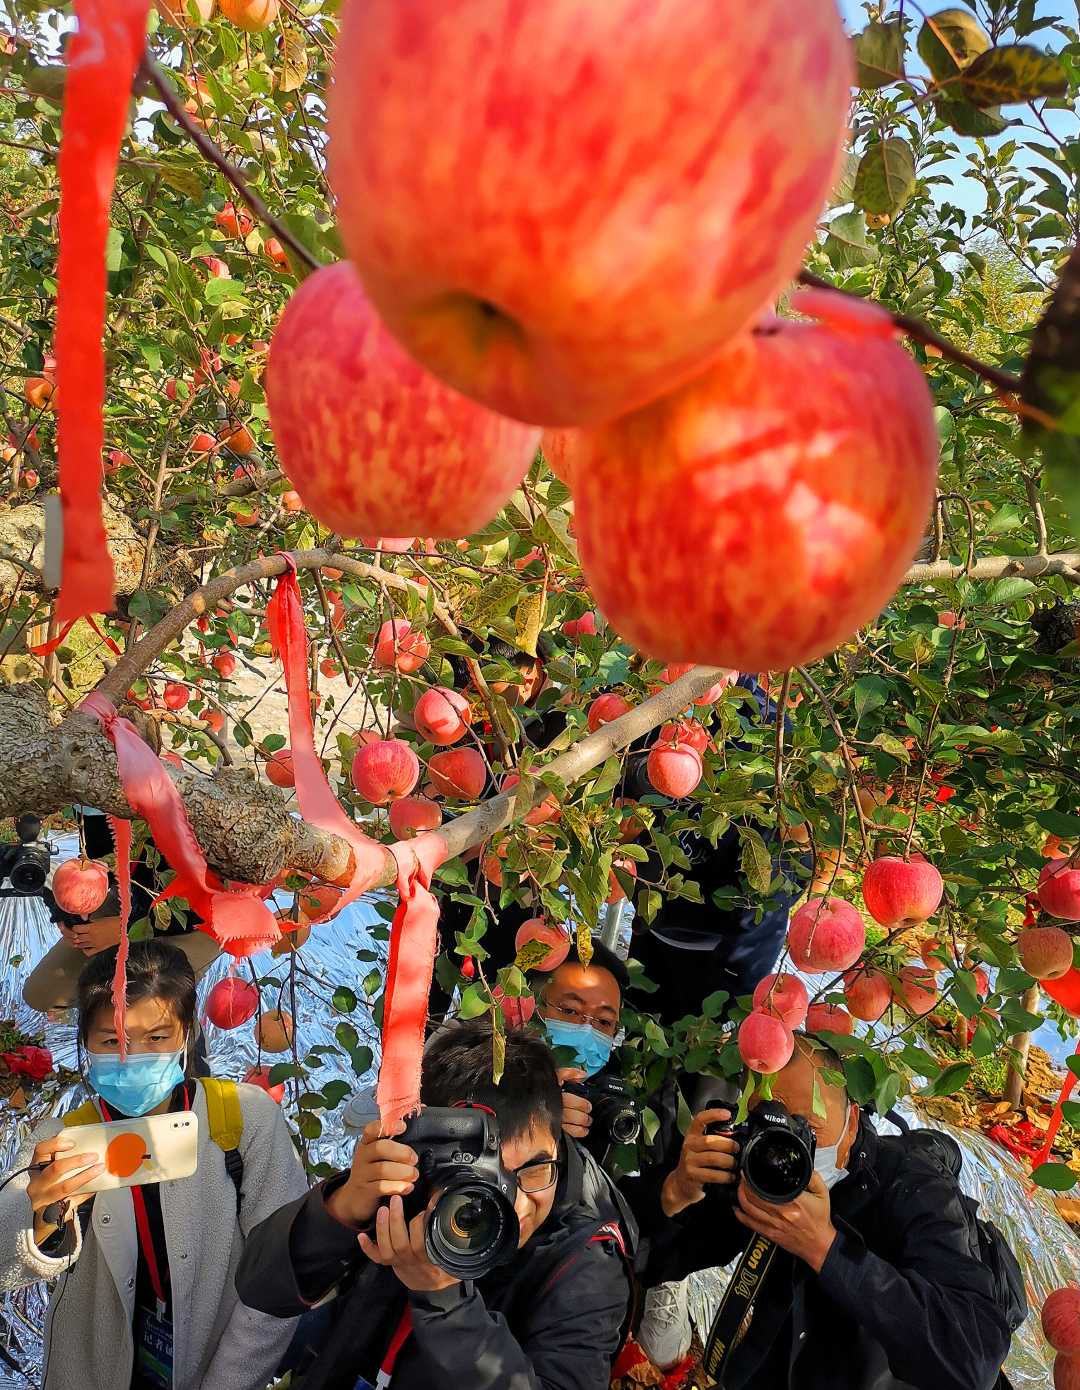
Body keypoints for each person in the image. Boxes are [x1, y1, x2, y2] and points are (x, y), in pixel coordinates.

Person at [235, 1019, 633, 1390]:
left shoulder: (586, 1261)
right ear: (436, 1148)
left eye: (531, 1171)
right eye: (484, 1178)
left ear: (558, 1144)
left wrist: (445, 1302)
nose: (510, 1204)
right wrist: (341, 1208)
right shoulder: (409, 1188)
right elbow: (261, 1290)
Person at [0, 939, 308, 1390]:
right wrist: (42, 1221)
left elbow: (281, 1271)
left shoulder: (241, 1120)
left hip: (213, 1367)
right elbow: (6, 1266)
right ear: (85, 1041)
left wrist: (228, 1383)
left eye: (157, 1037)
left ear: (187, 1032)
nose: (133, 1056)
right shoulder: (62, 1140)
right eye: (112, 1040)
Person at [641, 1035, 1015, 1390]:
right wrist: (676, 1191)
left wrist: (827, 1250)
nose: (787, 1146)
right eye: (765, 1117)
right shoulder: (763, 1161)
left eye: (809, 1128)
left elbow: (972, 1360)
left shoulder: (913, 1187)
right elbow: (643, 1261)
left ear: (852, 1123)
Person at [23, 806, 221, 1014]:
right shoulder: (101, 785)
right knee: (41, 993)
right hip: (131, 896)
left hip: (198, 920)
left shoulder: (199, 793)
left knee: (148, 1005)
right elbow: (104, 860)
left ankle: (184, 1042)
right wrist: (73, 913)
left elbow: (207, 898)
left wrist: (124, 930)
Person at [536, 940, 629, 1164]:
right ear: (527, 1005)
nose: (587, 1031)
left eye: (604, 1022)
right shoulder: (475, 1068)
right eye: (570, 1010)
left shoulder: (608, 1101)